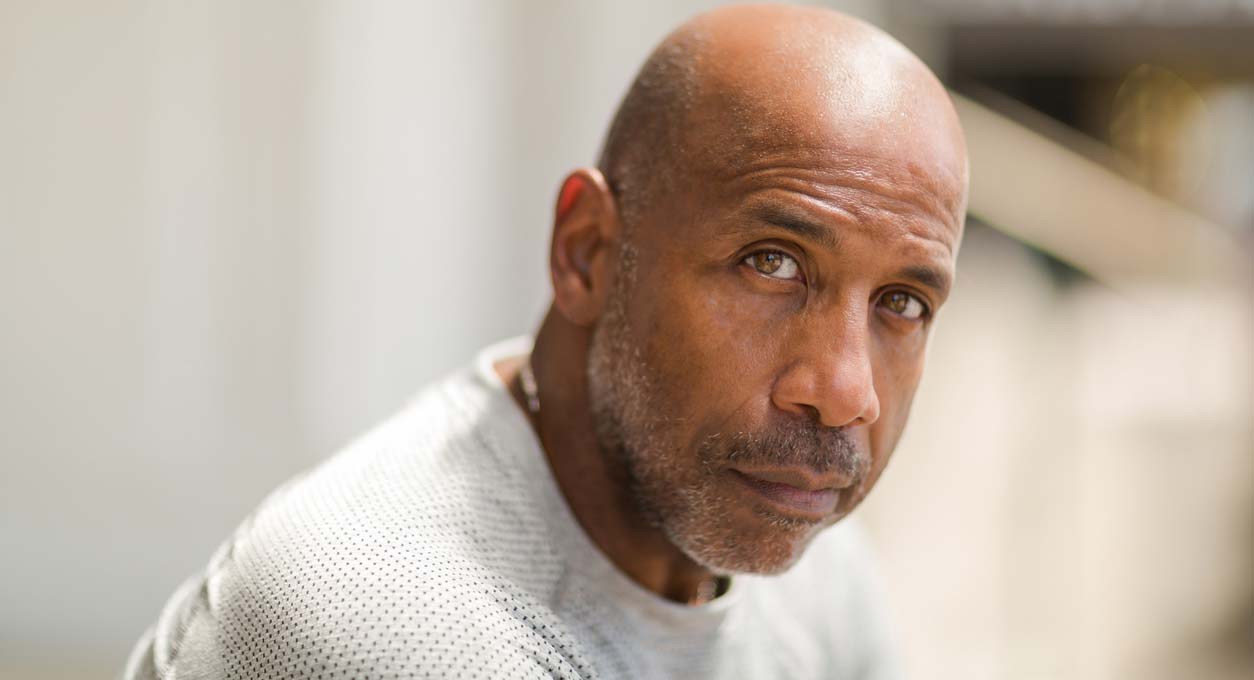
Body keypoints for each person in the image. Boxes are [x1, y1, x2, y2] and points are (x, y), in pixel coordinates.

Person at [124, 4, 967, 679]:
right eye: (772, 263)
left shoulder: (812, 568)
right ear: (588, 252)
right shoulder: (398, 621)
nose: (845, 391)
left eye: (902, 301)